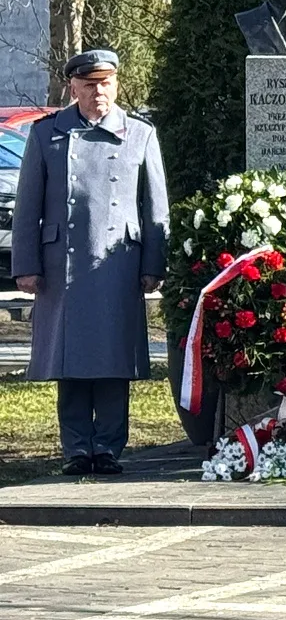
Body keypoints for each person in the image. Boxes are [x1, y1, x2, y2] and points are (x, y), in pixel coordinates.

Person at [12, 50, 168, 476]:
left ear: (116, 85)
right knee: (71, 360)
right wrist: (26, 264)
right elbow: (27, 207)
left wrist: (153, 263)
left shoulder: (139, 134)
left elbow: (156, 208)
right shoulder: (47, 135)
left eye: (106, 83)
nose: (98, 92)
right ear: (73, 87)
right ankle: (77, 447)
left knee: (113, 359)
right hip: (63, 264)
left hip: (117, 262)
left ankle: (110, 447)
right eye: (89, 84)